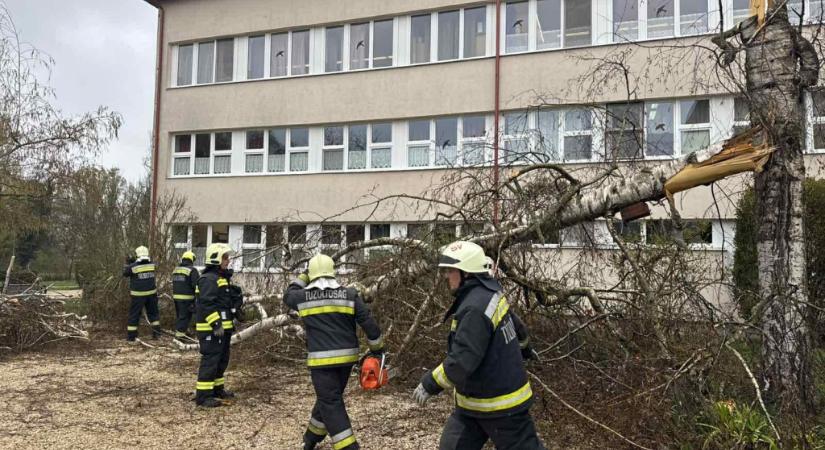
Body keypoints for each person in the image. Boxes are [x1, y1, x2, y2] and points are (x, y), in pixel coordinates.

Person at [412, 241, 545, 450]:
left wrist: (430, 383)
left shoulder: (474, 308)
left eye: (450, 270)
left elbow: (462, 360)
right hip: (472, 405)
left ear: (466, 272)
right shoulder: (489, 293)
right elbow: (516, 326)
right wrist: (526, 348)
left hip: (502, 406)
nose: (446, 275)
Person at [284, 254, 384, 450]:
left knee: (330, 401)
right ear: (333, 272)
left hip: (321, 363)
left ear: (311, 275)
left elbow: (288, 294)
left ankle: (349, 446)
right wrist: (377, 350)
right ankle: (311, 438)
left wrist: (303, 277)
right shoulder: (350, 294)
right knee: (330, 397)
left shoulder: (302, 297)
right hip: (347, 360)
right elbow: (369, 325)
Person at [194, 243, 242, 407]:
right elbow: (207, 305)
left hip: (223, 330)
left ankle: (217, 389)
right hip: (211, 330)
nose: (228, 261)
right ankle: (203, 397)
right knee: (211, 361)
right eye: (225, 257)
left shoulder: (220, 278)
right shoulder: (208, 279)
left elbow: (223, 303)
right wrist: (216, 324)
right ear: (215, 258)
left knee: (221, 360)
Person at [122, 245, 161, 341]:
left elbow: (125, 273)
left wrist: (129, 263)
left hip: (138, 295)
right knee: (154, 314)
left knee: (134, 315)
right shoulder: (152, 265)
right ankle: (156, 334)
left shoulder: (133, 267)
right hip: (151, 294)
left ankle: (131, 337)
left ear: (137, 255)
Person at [172, 251, 199, 339]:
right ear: (191, 260)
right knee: (185, 318)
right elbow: (196, 285)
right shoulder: (192, 270)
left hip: (176, 298)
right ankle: (179, 337)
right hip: (187, 299)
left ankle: (182, 332)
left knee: (180, 317)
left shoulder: (176, 269)